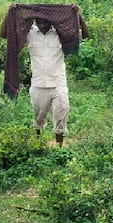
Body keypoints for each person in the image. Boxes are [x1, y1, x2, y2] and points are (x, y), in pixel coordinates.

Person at [26, 17, 70, 147]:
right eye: (39, 22)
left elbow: (83, 35)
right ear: (35, 22)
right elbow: (6, 35)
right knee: (39, 117)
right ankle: (38, 144)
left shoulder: (60, 33)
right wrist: (10, 13)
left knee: (62, 112)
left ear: (51, 21)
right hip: (38, 83)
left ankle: (59, 148)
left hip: (58, 82)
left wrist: (78, 15)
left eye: (46, 22)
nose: (42, 25)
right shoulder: (30, 33)